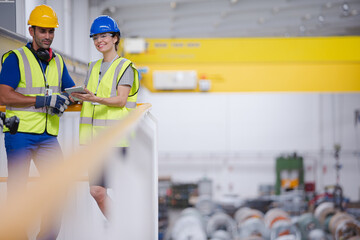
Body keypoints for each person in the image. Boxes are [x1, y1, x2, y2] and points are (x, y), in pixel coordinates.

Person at [0, 4, 74, 239]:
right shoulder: (15, 59)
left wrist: (70, 97)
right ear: (31, 31)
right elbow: (4, 95)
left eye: (51, 31)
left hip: (47, 137)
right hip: (19, 134)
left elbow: (70, 90)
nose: (48, 36)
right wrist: (43, 100)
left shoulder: (58, 61)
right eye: (43, 31)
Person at [71, 15, 139, 218]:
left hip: (116, 139)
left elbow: (120, 100)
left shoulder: (125, 67)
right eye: (95, 37)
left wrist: (94, 98)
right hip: (93, 141)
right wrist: (78, 97)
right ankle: (121, 225)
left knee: (122, 191)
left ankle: (125, 229)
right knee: (96, 191)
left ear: (115, 38)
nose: (99, 41)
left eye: (103, 36)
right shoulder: (92, 67)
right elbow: (93, 96)